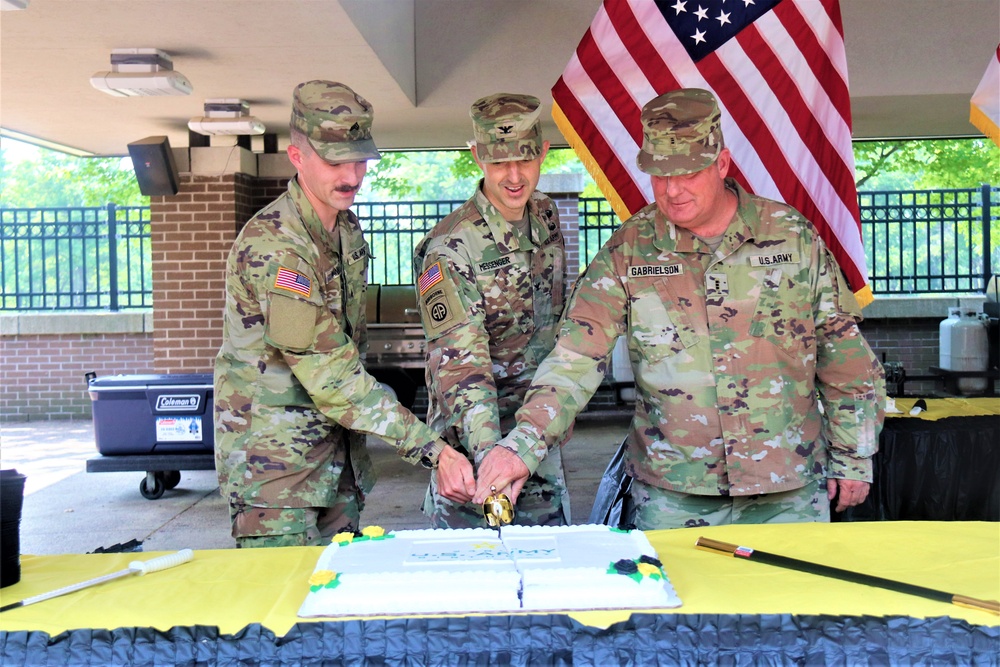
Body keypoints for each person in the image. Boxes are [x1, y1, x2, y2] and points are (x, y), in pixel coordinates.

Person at [473, 88, 885, 530]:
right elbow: (575, 357)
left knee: (785, 600)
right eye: (660, 175)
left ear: (721, 164)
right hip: (673, 494)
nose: (672, 190)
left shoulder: (790, 237)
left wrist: (854, 455)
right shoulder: (630, 250)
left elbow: (843, 353)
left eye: (688, 173)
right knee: (670, 599)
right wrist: (523, 445)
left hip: (787, 487)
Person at [214, 80, 473, 548]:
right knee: (284, 612)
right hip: (278, 476)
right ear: (297, 157)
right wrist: (433, 450)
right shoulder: (277, 248)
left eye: (359, 160)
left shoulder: (345, 229)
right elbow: (332, 376)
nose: (352, 176)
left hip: (337, 463)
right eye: (336, 162)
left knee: (339, 608)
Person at [412, 93, 572, 527]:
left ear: (543, 152)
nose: (514, 176)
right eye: (499, 163)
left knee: (548, 579)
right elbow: (461, 368)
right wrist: (494, 462)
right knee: (472, 585)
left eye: (524, 158)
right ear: (477, 156)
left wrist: (543, 430)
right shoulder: (449, 248)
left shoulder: (546, 218)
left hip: (536, 438)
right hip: (475, 457)